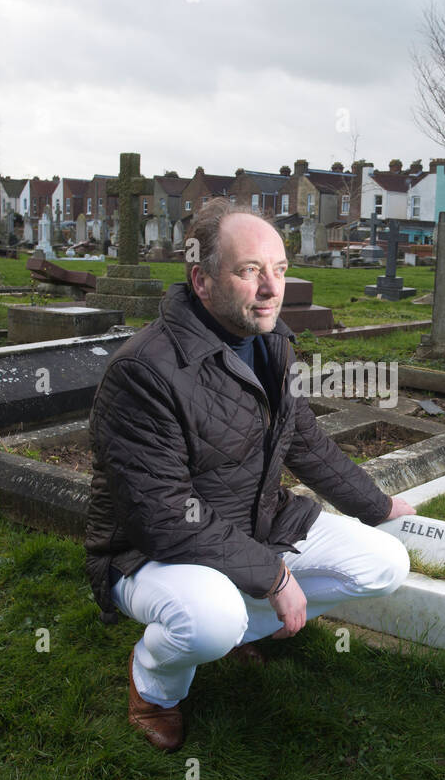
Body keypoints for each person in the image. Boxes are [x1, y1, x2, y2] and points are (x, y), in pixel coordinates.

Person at [84, 198, 415, 751]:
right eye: (249, 270)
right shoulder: (142, 372)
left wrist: (375, 505)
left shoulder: (271, 342)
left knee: (384, 564)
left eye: (280, 269)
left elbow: (302, 438)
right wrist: (274, 577)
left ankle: (239, 624)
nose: (271, 288)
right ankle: (155, 685)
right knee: (210, 618)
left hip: (254, 524)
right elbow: (162, 516)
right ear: (202, 279)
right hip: (144, 552)